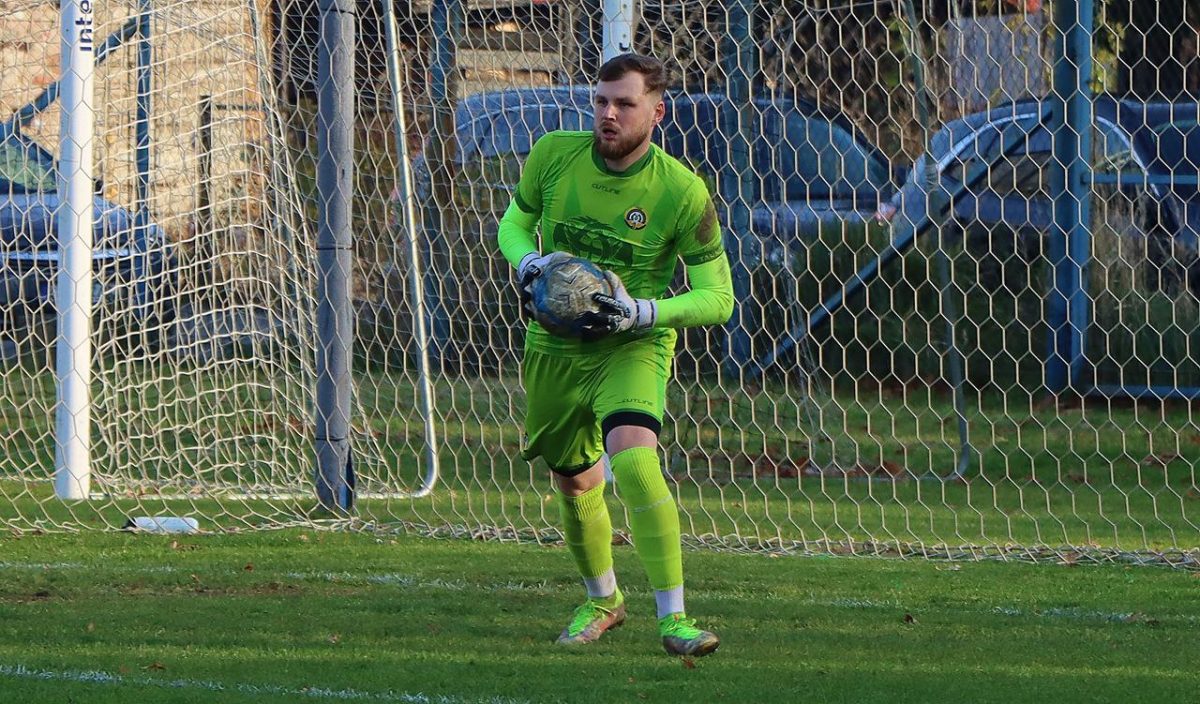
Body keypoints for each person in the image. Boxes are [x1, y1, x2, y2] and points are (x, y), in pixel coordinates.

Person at [494, 52, 734, 657]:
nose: (609, 114)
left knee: (634, 461)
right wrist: (531, 263)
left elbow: (718, 297)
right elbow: (512, 226)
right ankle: (603, 600)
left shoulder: (681, 191)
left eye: (625, 104)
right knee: (575, 480)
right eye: (601, 101)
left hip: (633, 344)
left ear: (657, 111)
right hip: (554, 346)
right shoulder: (554, 154)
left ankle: (675, 620)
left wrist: (644, 312)